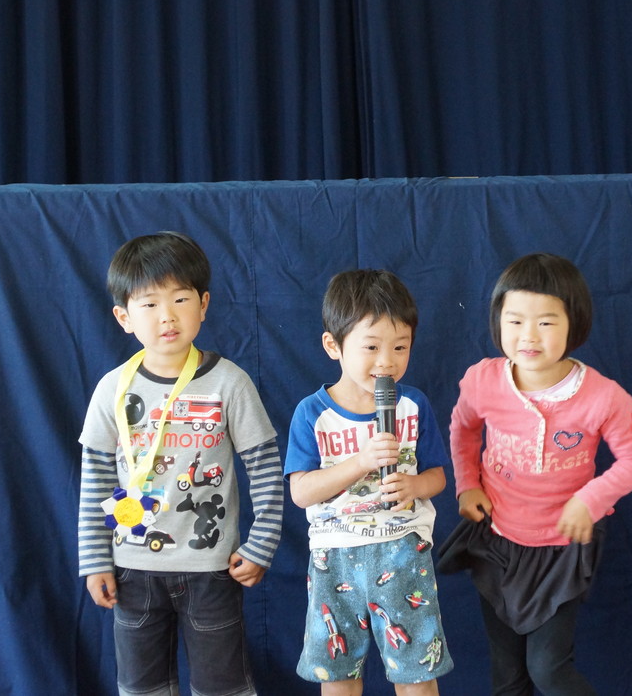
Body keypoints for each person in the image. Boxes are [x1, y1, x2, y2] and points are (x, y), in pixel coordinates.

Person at [77, 231, 283, 696]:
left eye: (180, 299)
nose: (166, 315)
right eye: (149, 304)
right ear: (124, 317)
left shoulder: (230, 383)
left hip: (212, 568)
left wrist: (261, 545)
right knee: (141, 688)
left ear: (203, 304)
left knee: (223, 688)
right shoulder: (112, 388)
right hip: (131, 570)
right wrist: (95, 561)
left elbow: (266, 470)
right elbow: (95, 479)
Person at [441, 252, 632, 695]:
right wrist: (467, 484)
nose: (529, 335)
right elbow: (463, 429)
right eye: (516, 321)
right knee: (508, 675)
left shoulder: (602, 396)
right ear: (498, 321)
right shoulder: (483, 380)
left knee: (548, 669)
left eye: (545, 322)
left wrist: (590, 500)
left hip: (561, 550)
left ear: (573, 323)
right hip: (497, 541)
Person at [284, 269, 454, 694]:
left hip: (403, 551)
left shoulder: (413, 404)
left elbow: (437, 475)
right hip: (334, 557)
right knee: (337, 673)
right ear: (333, 346)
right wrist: (360, 462)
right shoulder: (312, 413)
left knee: (417, 670)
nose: (387, 362)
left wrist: (415, 487)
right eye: (372, 347)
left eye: (400, 347)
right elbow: (301, 492)